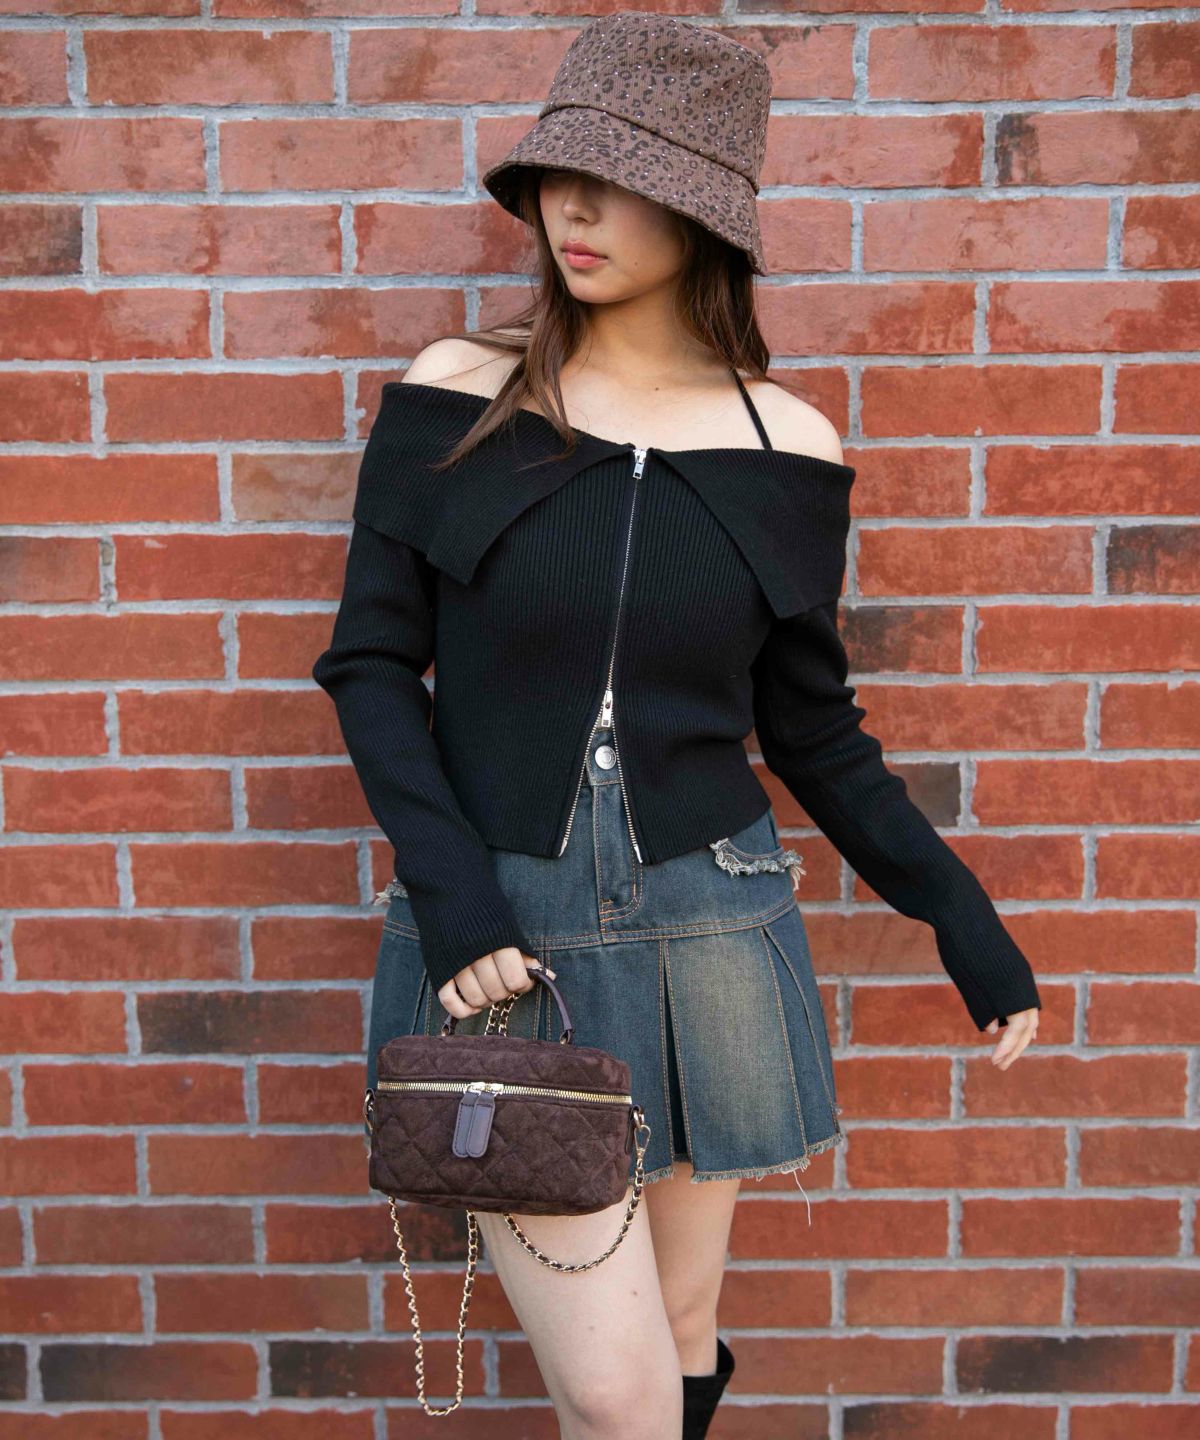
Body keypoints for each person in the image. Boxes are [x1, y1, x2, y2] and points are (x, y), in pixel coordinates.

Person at [312, 12, 1042, 1437]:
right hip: (505, 946)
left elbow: (814, 732)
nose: (575, 211)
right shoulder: (458, 394)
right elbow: (372, 666)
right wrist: (452, 898)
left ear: (705, 215)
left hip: (714, 939)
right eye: (561, 176)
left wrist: (959, 915)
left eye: (623, 183)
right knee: (617, 1391)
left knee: (687, 1334)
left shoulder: (786, 445)